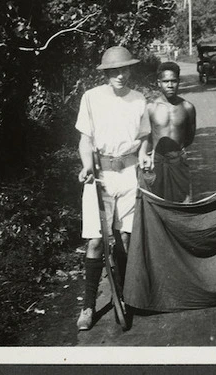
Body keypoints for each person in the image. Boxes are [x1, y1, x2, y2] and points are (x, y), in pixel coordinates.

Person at [75, 45, 151, 330]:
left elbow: (144, 138)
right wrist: (87, 165)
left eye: (125, 69)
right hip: (101, 176)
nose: (121, 75)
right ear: (106, 73)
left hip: (129, 175)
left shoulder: (139, 99)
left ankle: (125, 295)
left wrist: (144, 153)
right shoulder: (91, 98)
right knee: (96, 241)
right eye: (115, 71)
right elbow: (85, 140)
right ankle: (88, 305)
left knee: (125, 238)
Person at [140, 62, 196, 202]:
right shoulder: (151, 108)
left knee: (183, 201)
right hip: (158, 160)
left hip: (178, 160)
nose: (170, 85)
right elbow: (146, 136)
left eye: (173, 81)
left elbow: (190, 136)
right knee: (158, 200)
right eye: (166, 81)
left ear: (179, 82)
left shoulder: (187, 107)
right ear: (159, 83)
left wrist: (177, 154)